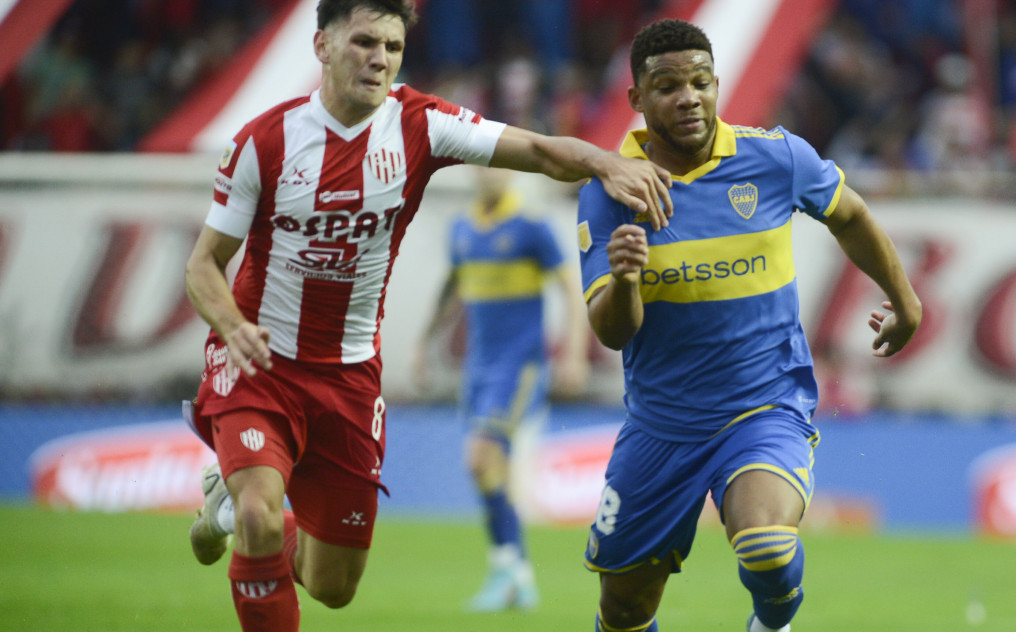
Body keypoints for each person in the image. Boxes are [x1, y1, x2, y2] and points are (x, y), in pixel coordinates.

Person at [181, 2, 673, 631]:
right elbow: (203, 266)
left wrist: (607, 161)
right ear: (322, 46)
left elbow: (541, 152)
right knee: (262, 514)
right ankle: (246, 512)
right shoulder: (262, 141)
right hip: (258, 361)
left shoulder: (422, 124)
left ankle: (229, 511)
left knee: (333, 587)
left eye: (392, 45)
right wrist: (231, 327)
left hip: (348, 377)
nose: (379, 58)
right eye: (363, 42)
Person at [576, 19, 921, 632]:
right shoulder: (612, 191)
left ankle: (773, 624)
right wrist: (626, 278)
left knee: (765, 544)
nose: (689, 97)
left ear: (716, 85)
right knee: (624, 609)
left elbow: (851, 214)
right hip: (662, 426)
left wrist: (904, 298)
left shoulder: (776, 158)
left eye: (701, 82)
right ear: (636, 99)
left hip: (763, 406)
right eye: (667, 87)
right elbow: (612, 332)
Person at [413, 166, 589, 611]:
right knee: (494, 471)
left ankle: (507, 568)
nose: (490, 173)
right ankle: (516, 576)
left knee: (479, 457)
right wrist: (424, 343)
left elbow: (571, 288)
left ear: (511, 174)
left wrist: (572, 353)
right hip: (478, 367)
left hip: (519, 366)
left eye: (498, 165)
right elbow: (453, 285)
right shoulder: (463, 227)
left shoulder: (531, 226)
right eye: (482, 165)